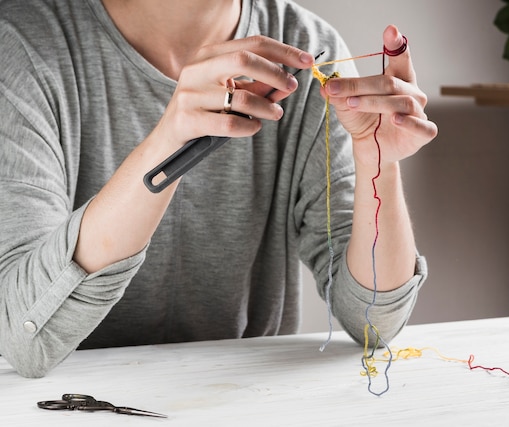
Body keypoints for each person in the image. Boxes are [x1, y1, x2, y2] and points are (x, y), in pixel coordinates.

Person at [0, 0, 437, 378]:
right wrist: (168, 139)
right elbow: (25, 337)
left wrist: (376, 162)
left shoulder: (306, 42)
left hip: (241, 398)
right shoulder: (23, 43)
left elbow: (373, 322)